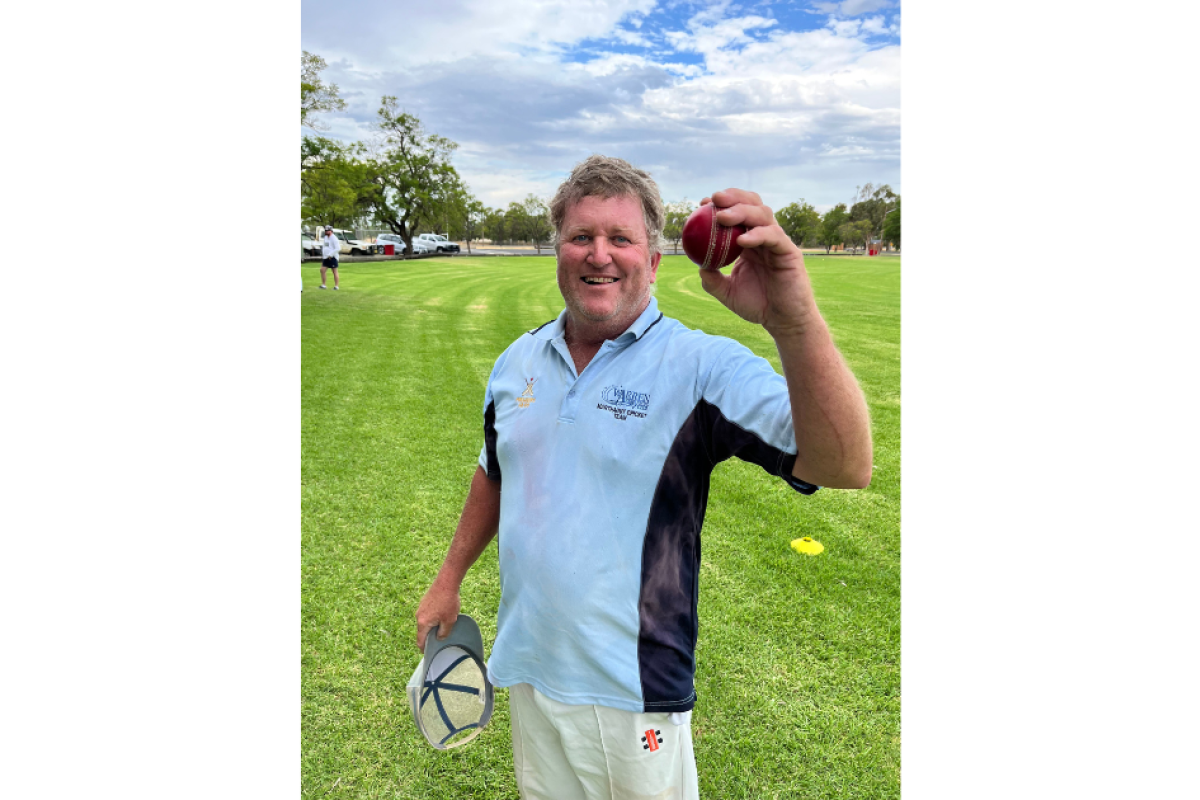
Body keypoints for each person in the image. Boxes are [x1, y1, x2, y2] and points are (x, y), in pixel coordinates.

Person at [415, 155, 873, 799]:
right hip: (531, 669)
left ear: (653, 261)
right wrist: (447, 579)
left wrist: (791, 319)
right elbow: (496, 472)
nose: (599, 255)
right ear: (559, 252)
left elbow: (845, 465)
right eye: (581, 236)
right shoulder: (518, 360)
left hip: (634, 692)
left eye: (621, 239)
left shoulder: (699, 366)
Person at [320, 225, 340, 290]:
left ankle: (336, 286)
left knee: (334, 271)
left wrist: (330, 255)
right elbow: (325, 246)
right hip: (325, 257)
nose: (326, 232)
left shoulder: (334, 238)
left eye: (327, 230)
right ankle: (323, 285)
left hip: (332, 257)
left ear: (331, 231)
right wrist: (324, 254)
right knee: (322, 270)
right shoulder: (326, 237)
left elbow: (338, 248)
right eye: (325, 230)